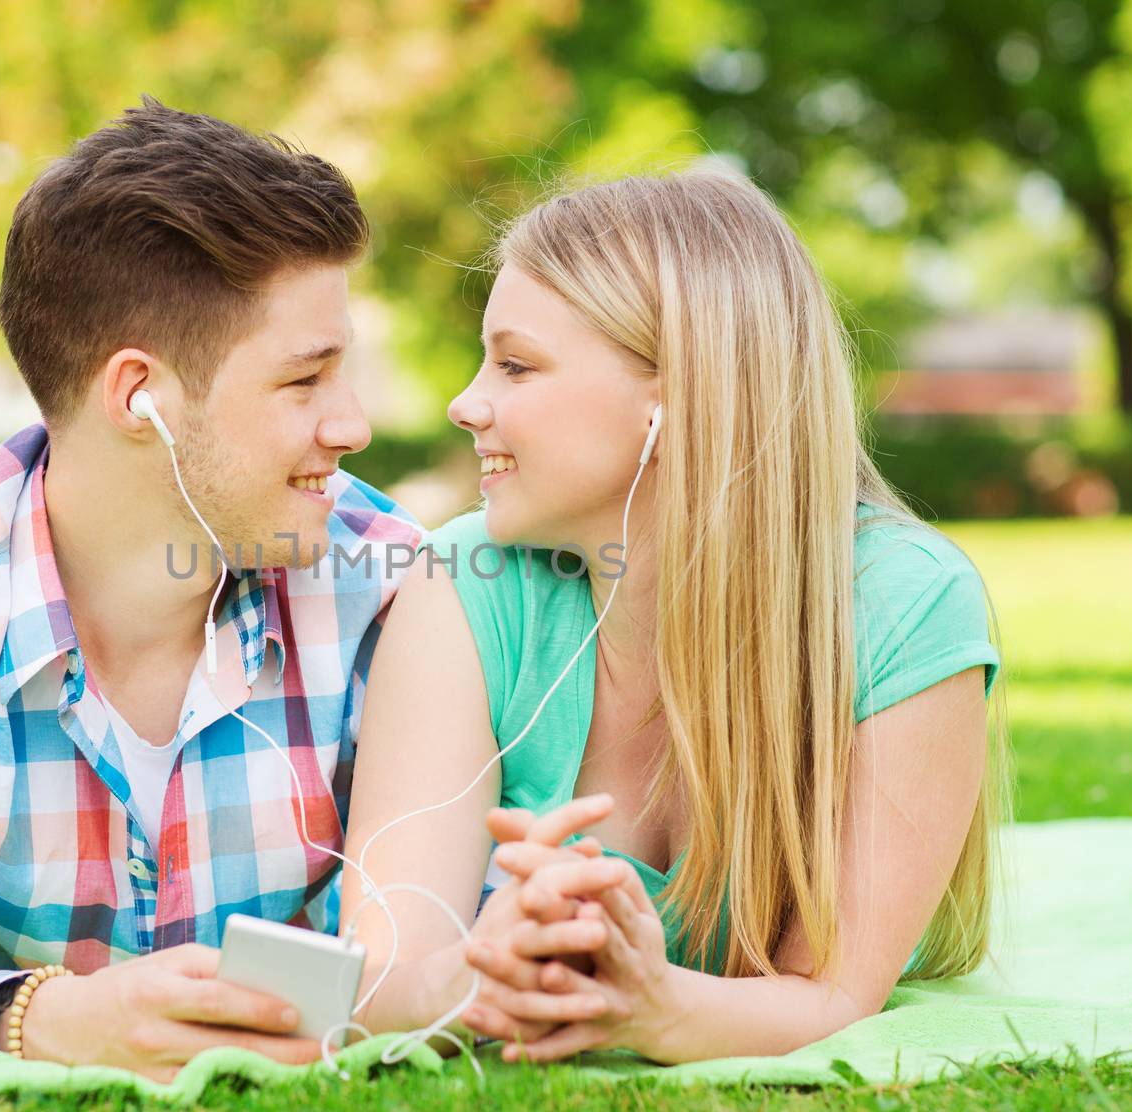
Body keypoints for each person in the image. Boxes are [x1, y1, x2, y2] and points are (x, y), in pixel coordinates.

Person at [0, 98, 424, 1082]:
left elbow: (443, 935)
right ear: (138, 398)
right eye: (304, 380)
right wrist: (52, 1017)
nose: (353, 423)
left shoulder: (381, 578)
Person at [341, 169, 1007, 1063]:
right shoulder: (464, 582)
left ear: (676, 393)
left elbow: (837, 996)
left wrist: (651, 1008)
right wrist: (489, 968)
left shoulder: (903, 603)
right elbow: (386, 970)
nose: (467, 403)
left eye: (515, 363)